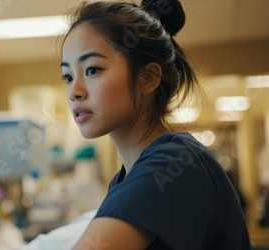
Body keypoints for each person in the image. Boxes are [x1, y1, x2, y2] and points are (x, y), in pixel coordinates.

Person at [59, 0, 251, 249]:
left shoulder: (175, 162)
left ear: (148, 78)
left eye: (93, 69)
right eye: (68, 76)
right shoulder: (124, 179)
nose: (74, 91)